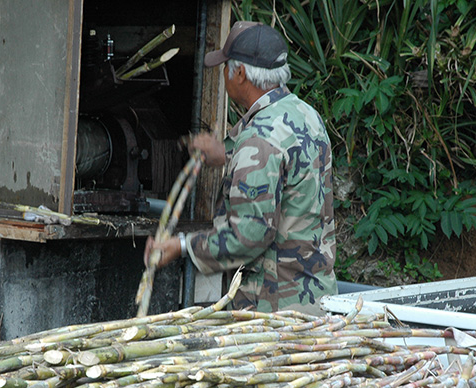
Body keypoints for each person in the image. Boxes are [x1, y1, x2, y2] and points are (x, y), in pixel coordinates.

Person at [144, 21, 337, 313]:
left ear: (240, 73)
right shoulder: (305, 115)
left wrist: (182, 246)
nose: (223, 75)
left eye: (225, 67)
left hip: (275, 311)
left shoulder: (258, 140)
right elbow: (277, 160)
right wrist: (223, 151)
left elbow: (247, 237)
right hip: (315, 298)